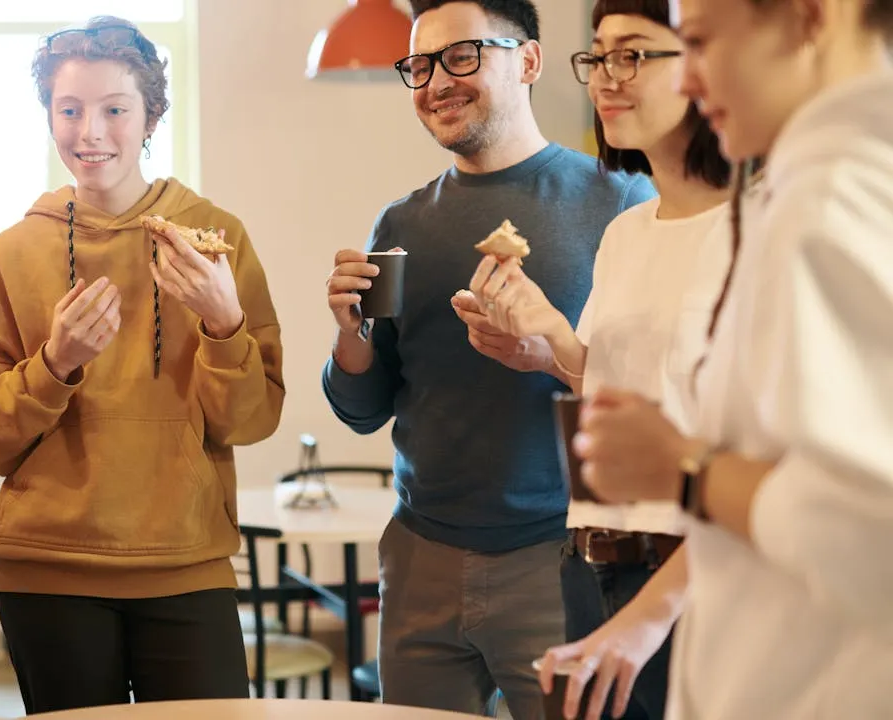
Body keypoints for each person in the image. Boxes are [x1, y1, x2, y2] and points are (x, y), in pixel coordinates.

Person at [321, 0, 656, 715]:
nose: (437, 81)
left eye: (462, 56)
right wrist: (349, 335)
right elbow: (364, 406)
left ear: (528, 61)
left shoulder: (624, 205)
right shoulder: (401, 223)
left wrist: (551, 354)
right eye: (420, 65)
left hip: (560, 555)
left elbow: (658, 392)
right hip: (418, 557)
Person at [0, 15, 283, 713]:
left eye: (114, 110)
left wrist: (223, 324)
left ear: (150, 114)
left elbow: (252, 420)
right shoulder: (15, 251)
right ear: (49, 115)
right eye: (68, 110)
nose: (88, 133)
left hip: (186, 563)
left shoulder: (215, 238)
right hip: (49, 572)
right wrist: (56, 364)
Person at [572, 0, 893, 717]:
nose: (690, 79)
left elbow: (872, 531)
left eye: (704, 41)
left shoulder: (835, 199)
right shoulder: (808, 188)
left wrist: (683, 470)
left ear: (810, 16)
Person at [465, 0, 731, 716]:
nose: (607, 77)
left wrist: (648, 618)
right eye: (599, 55)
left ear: (708, 62)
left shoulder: (757, 230)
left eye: (634, 54)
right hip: (587, 561)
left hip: (692, 581)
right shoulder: (627, 232)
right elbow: (623, 391)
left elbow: (766, 453)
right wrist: (548, 342)